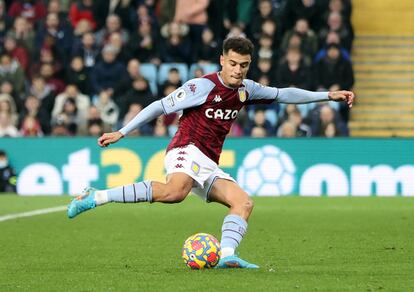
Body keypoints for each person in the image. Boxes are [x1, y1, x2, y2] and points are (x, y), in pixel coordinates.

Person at [67, 37, 354, 269]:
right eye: (233, 63)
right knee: (175, 191)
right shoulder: (201, 86)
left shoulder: (246, 89)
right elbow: (159, 106)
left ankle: (227, 255)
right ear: (222, 61)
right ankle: (96, 197)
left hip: (208, 161)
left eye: (243, 65)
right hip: (185, 148)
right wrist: (123, 132)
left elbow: (283, 93)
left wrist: (327, 96)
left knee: (243, 203)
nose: (238, 70)